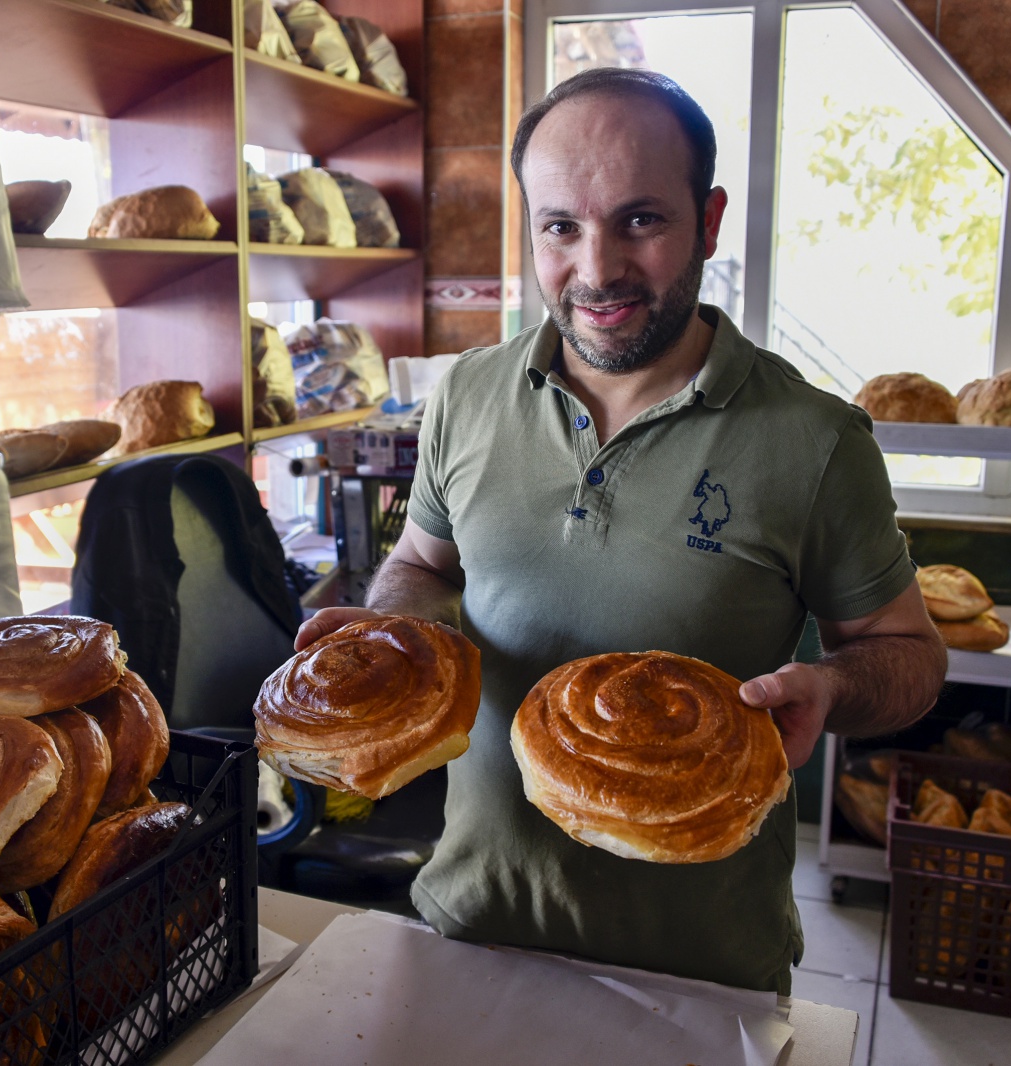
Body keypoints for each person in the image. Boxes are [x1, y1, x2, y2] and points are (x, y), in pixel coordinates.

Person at [295, 67, 947, 994]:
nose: (595, 271)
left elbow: (908, 654)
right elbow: (420, 565)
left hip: (701, 969)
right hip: (473, 921)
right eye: (560, 226)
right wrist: (394, 632)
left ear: (709, 221)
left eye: (640, 220)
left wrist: (833, 689)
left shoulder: (814, 441)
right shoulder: (467, 397)